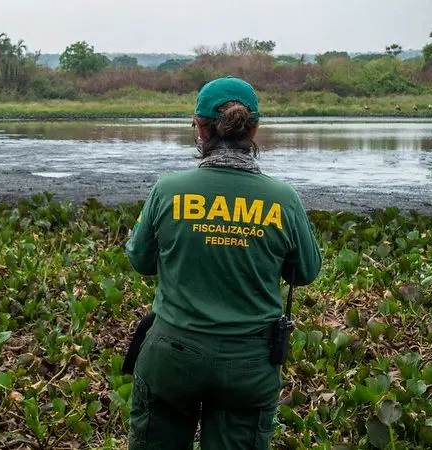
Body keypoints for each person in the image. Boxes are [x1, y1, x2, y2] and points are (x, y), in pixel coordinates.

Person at [124, 76, 322, 450]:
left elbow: (140, 260)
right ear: (255, 129)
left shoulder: (167, 189)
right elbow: (306, 271)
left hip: (172, 357)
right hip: (249, 364)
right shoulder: (284, 199)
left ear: (199, 130)